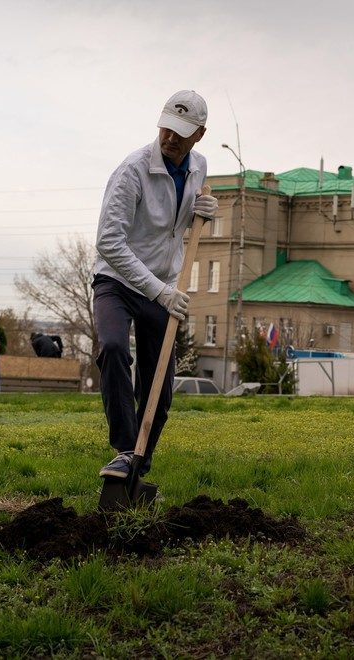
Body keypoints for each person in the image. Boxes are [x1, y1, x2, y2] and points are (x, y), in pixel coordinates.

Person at [92, 90, 217, 484]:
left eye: (182, 132)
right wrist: (157, 290)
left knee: (159, 393)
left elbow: (174, 226)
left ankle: (135, 476)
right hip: (118, 281)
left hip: (165, 285)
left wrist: (202, 212)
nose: (170, 138)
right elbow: (109, 241)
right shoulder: (132, 170)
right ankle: (124, 452)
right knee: (112, 348)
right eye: (166, 127)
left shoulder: (199, 167)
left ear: (199, 134)